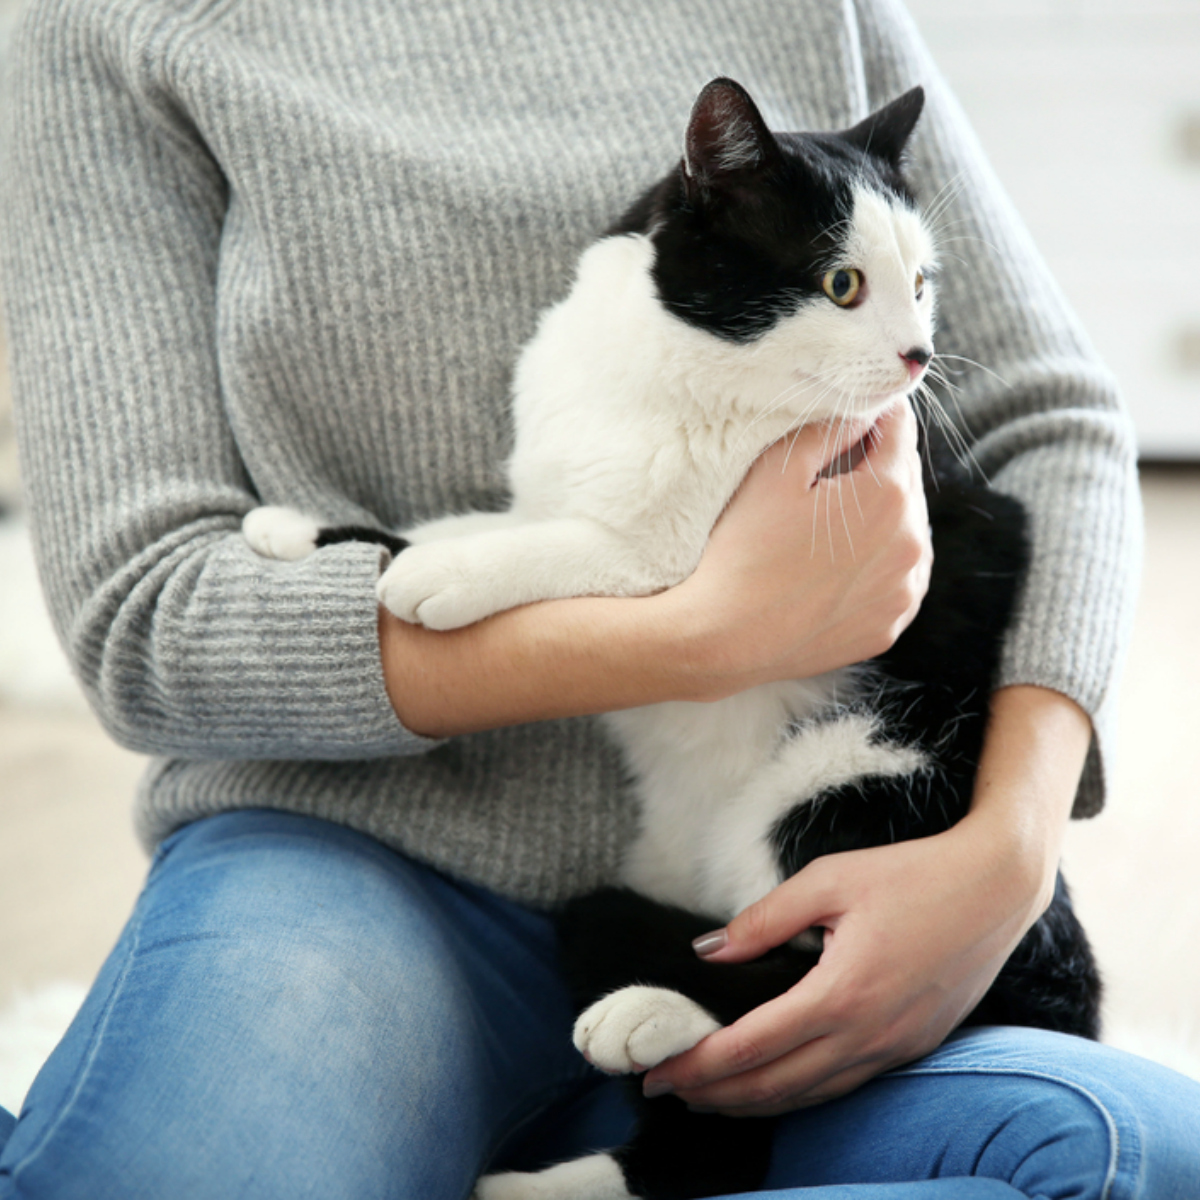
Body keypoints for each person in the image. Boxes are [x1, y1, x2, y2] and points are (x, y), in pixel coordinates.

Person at [1, 0, 1197, 1196]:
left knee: (1140, 1161)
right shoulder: (116, 28)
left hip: (808, 881)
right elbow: (144, 615)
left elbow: (1048, 418)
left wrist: (1008, 849)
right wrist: (704, 633)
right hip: (358, 861)